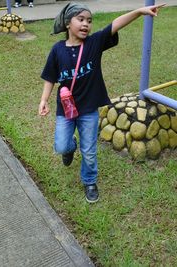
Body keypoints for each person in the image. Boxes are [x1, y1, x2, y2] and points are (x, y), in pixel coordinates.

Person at [38, 2, 165, 203]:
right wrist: (44, 100)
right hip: (66, 109)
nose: (86, 24)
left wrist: (139, 12)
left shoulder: (93, 43)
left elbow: (115, 24)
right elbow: (50, 77)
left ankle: (89, 181)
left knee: (89, 150)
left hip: (88, 109)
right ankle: (70, 148)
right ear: (67, 23)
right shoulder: (57, 50)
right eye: (80, 19)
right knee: (62, 145)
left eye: (89, 20)